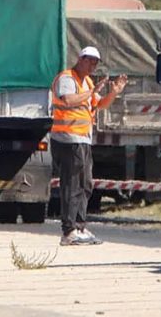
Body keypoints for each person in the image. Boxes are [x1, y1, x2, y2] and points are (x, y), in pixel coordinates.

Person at [50, 46, 128, 246]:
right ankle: (68, 231)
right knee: (72, 184)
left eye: (96, 62)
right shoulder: (68, 79)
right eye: (90, 60)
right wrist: (92, 91)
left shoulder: (86, 82)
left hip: (82, 140)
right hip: (68, 140)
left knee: (85, 184)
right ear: (81, 59)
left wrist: (114, 92)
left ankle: (79, 227)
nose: (93, 65)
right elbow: (68, 100)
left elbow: (99, 104)